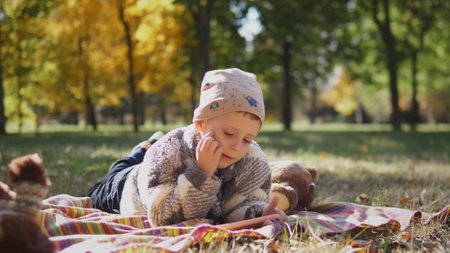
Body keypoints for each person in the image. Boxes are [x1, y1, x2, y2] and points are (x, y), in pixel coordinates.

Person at [87, 68, 287, 226]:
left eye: (247, 139)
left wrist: (259, 213)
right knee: (96, 193)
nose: (237, 147)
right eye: (228, 134)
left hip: (157, 161)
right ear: (200, 124)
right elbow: (162, 217)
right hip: (126, 186)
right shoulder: (169, 152)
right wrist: (201, 174)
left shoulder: (252, 158)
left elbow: (240, 205)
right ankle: (143, 150)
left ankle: (147, 147)